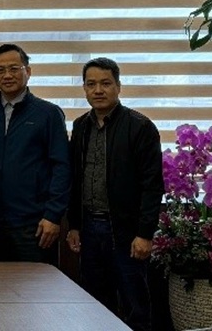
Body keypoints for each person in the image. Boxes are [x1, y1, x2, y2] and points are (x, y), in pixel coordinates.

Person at [66, 57, 164, 331]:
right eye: (91, 84)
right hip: (89, 228)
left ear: (118, 86)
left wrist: (145, 234)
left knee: (135, 305)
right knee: (95, 304)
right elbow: (75, 178)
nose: (98, 90)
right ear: (84, 89)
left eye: (105, 83)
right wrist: (74, 225)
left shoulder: (140, 127)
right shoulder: (81, 126)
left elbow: (152, 185)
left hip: (125, 231)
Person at [0, 43, 70, 264]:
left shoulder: (48, 113)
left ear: (28, 71)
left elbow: (62, 167)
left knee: (36, 285)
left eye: (14, 68)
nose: (7, 75)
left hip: (35, 225)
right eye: (0, 70)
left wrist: (52, 215)